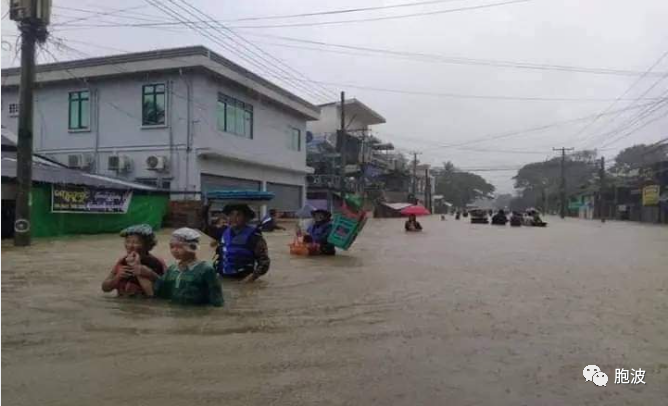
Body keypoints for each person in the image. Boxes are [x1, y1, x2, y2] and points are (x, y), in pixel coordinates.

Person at [146, 228, 223, 306]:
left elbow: (217, 300)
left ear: (192, 247)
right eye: (172, 247)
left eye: (179, 247)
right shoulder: (172, 269)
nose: (174, 250)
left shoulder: (206, 270)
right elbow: (160, 292)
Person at [102, 224, 166, 297]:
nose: (130, 246)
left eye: (136, 242)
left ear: (148, 245)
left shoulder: (156, 262)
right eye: (127, 241)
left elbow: (152, 295)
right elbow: (105, 288)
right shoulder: (122, 261)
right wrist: (118, 277)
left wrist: (142, 271)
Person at [218, 204, 271, 281]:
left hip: (243, 279)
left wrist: (253, 277)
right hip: (223, 277)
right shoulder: (223, 232)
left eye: (238, 215)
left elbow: (264, 262)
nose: (233, 218)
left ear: (246, 218)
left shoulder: (254, 236)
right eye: (231, 214)